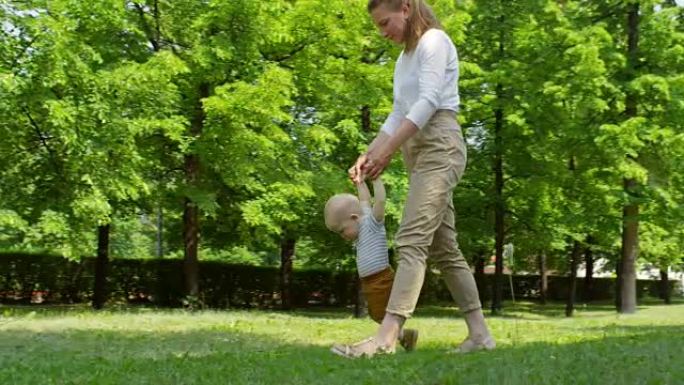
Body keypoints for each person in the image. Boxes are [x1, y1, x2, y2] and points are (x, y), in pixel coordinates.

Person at [332, 0, 495, 358]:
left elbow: (428, 101)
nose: (382, 32)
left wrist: (387, 151)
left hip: (440, 145)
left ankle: (387, 337)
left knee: (411, 239)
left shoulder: (434, 42)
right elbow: (397, 113)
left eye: (385, 22)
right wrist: (370, 152)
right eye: (378, 26)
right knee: (444, 248)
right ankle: (480, 334)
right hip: (417, 152)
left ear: (406, 8)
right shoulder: (403, 60)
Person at [324, 176, 419, 355]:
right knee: (378, 314)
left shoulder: (372, 223)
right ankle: (405, 336)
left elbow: (380, 200)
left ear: (354, 218)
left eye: (342, 231)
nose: (343, 236)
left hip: (380, 278)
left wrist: (376, 179)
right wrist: (359, 182)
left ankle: (386, 343)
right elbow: (364, 199)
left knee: (382, 314)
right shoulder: (363, 217)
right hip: (370, 281)